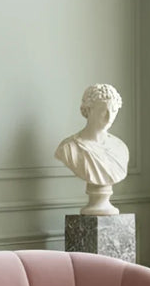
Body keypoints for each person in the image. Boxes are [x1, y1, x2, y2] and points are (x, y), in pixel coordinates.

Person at [54, 84, 129, 214]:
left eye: (114, 110)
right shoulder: (69, 148)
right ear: (88, 110)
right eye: (103, 110)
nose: (109, 117)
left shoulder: (121, 148)